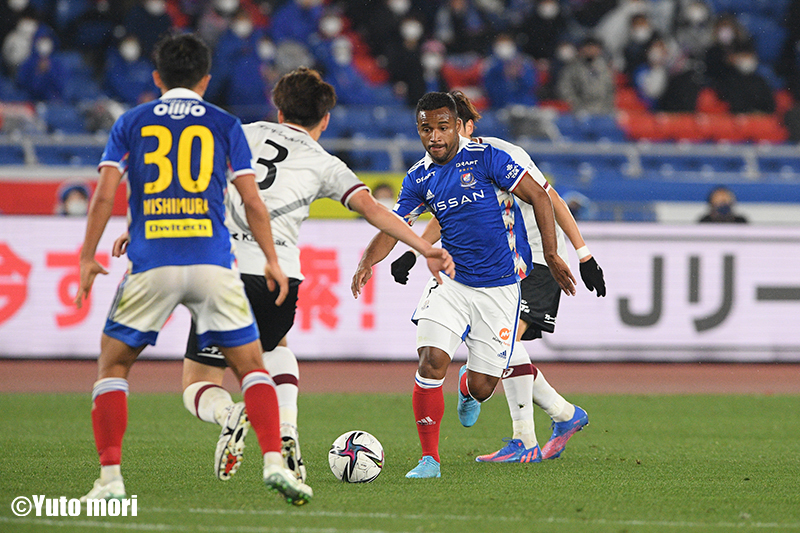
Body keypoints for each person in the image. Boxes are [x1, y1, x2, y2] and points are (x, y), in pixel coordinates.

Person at [114, 67, 454, 483]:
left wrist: (140, 227)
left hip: (225, 269)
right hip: (281, 277)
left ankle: (229, 413)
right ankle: (288, 429)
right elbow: (374, 210)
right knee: (276, 345)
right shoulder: (326, 163)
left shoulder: (241, 133)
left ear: (278, 111)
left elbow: (182, 178)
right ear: (324, 120)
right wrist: (424, 246)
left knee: (198, 382)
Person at [74, 33, 312, 506]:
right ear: (205, 80)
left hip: (152, 261)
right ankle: (273, 462)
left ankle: (110, 479)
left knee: (114, 365)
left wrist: (87, 255)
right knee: (252, 367)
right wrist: (270, 258)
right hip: (212, 263)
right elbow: (252, 201)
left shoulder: (131, 121)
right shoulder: (225, 123)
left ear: (157, 78)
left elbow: (104, 194)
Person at [351, 91, 576, 479]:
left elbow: (540, 196)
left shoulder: (488, 157)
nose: (434, 136)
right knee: (431, 360)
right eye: (426, 129)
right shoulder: (419, 176)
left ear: (458, 126)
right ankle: (429, 460)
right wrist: (367, 261)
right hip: (451, 282)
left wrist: (554, 255)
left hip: (501, 288)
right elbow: (395, 225)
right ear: (418, 130)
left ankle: (470, 389)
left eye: (442, 127)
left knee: (484, 386)